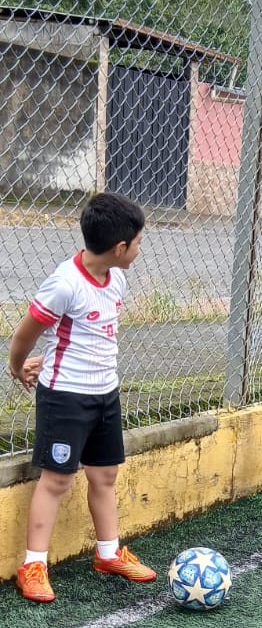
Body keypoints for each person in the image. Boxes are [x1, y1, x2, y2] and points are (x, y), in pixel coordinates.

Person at [7, 191, 157, 603]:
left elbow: (87, 335)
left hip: (105, 393)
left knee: (104, 476)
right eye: (139, 243)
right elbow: (24, 333)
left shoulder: (117, 276)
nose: (140, 250)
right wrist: (17, 366)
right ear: (119, 247)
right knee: (57, 480)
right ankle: (33, 565)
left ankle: (108, 554)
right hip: (66, 398)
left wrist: (53, 353)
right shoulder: (65, 284)